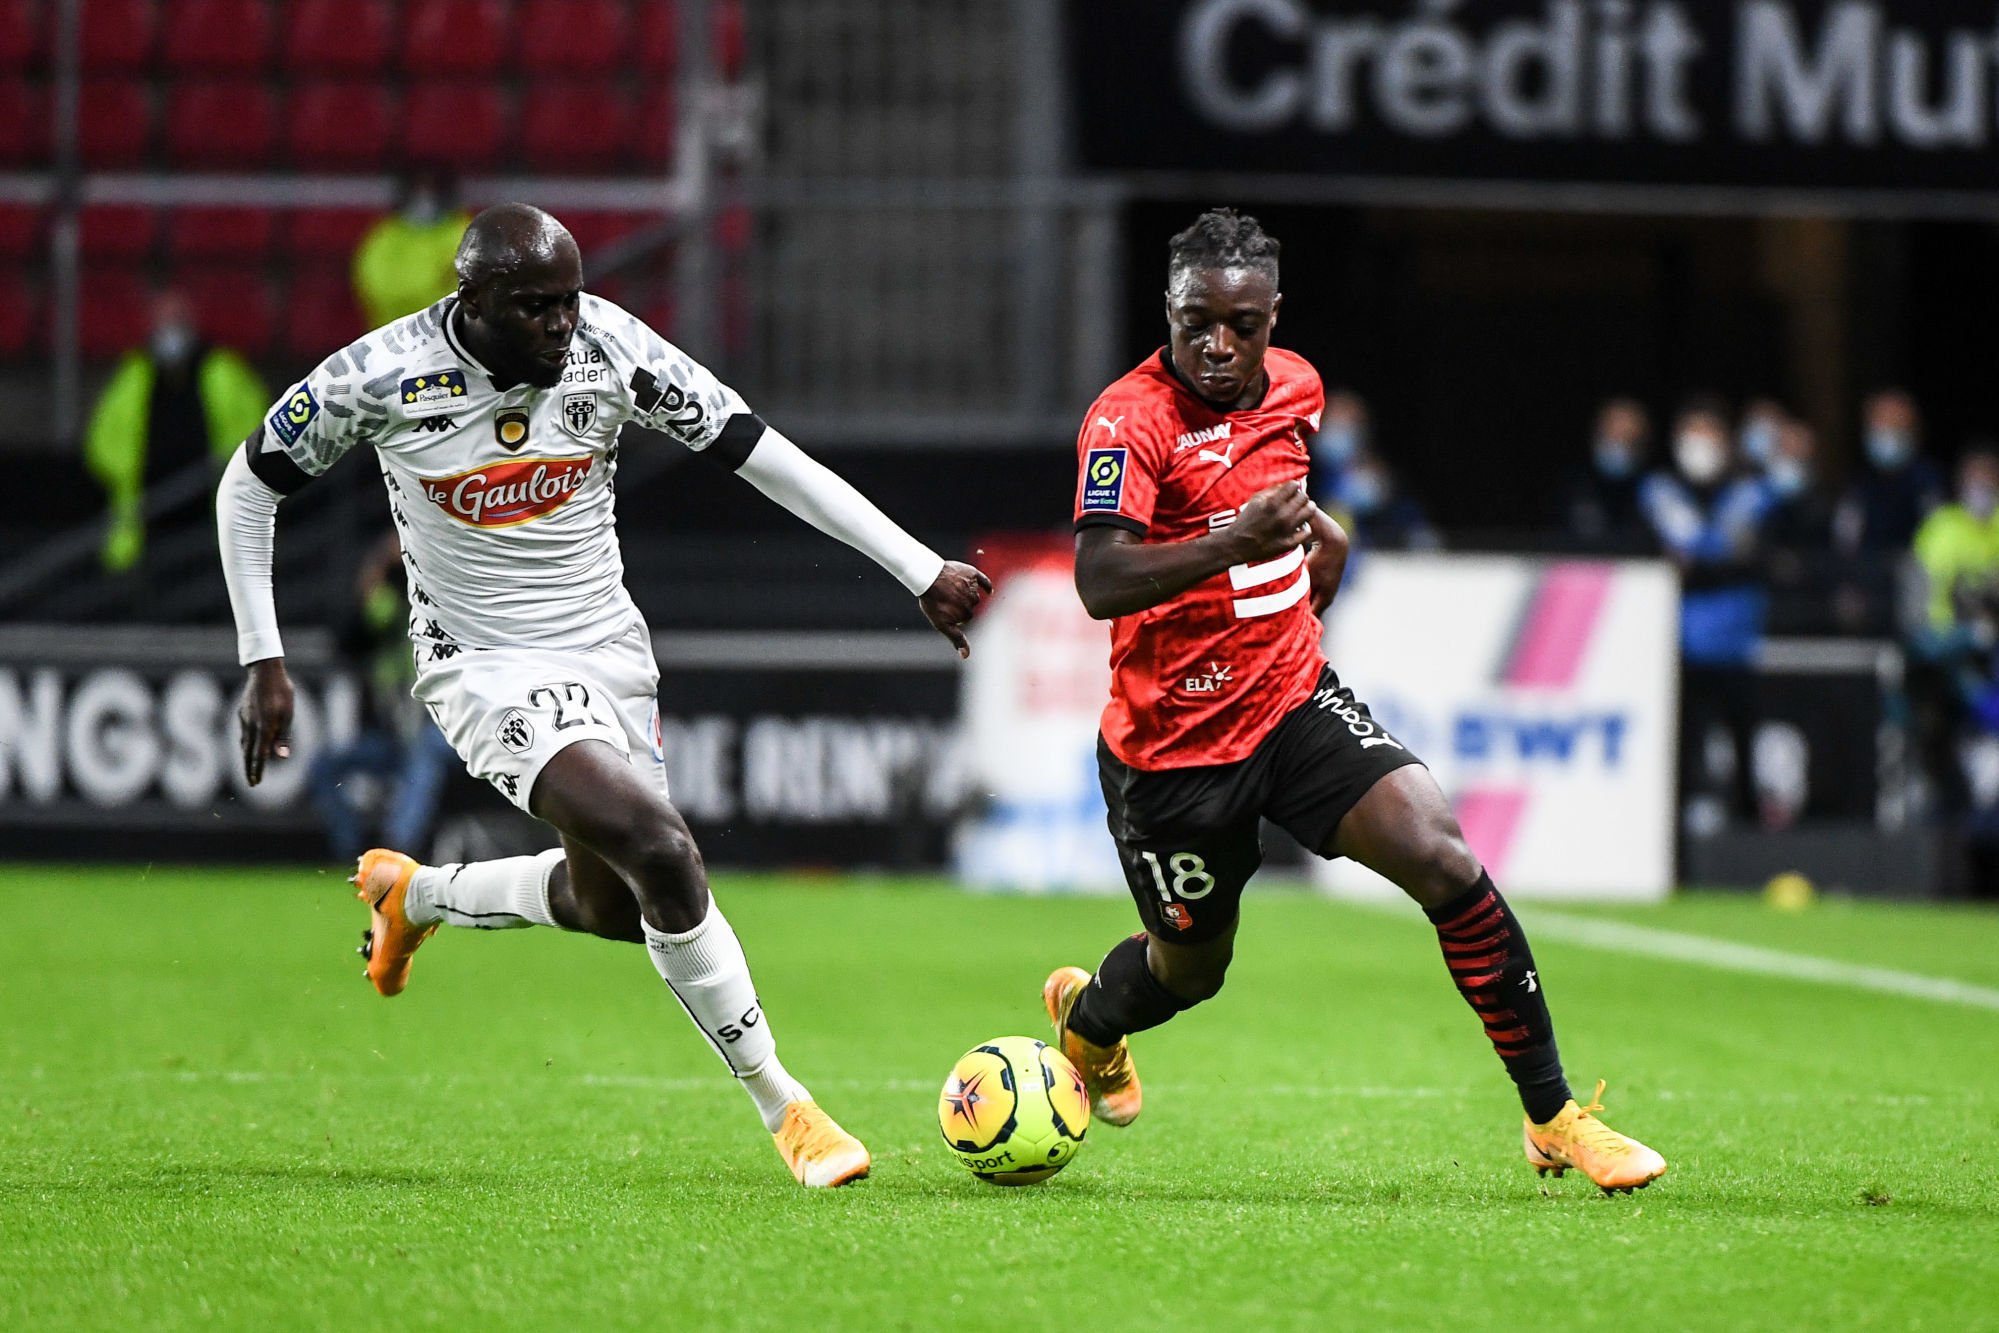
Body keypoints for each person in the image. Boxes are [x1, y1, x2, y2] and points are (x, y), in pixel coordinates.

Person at [218, 204, 990, 1188]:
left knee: (620, 905)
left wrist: (916, 568)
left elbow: (762, 451)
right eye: (534, 308)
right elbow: (248, 486)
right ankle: (786, 1106)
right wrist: (264, 658)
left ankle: (417, 894)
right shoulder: (380, 375)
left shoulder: (610, 349)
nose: (559, 325)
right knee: (663, 847)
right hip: (482, 664)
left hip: (607, 653)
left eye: (569, 302)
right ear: (473, 303)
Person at [1044, 208, 1666, 1194]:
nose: (1217, 343)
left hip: (1290, 700)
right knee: (1188, 970)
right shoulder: (1127, 420)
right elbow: (1100, 579)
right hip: (1172, 753)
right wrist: (1233, 543)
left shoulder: (1297, 386)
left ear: (1271, 317)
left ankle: (1552, 1116)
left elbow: (1278, 484)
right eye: (1195, 319)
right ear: (1166, 310)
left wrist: (1324, 533)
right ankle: (1091, 1022)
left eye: (1241, 324)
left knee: (1442, 856)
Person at [1639, 398, 1774, 829]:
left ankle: (1748, 841)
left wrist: (1701, 557)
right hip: (1679, 646)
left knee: (1744, 749)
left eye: (1708, 435)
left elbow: (1715, 548)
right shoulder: (1660, 488)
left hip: (1735, 645)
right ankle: (1672, 841)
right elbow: (1699, 544)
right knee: (1678, 754)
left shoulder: (1750, 491)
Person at [85, 290, 267, 573]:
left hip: (210, 515)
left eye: (177, 321)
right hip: (147, 522)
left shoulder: (224, 372)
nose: (171, 331)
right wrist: (132, 473)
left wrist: (226, 470)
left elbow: (258, 430)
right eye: (164, 322)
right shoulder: (134, 375)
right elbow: (102, 440)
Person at [307, 533, 459, 862]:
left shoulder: (445, 613)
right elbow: (348, 635)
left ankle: (397, 852)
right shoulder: (389, 614)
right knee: (325, 768)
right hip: (395, 741)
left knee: (426, 753)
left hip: (448, 737)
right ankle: (353, 853)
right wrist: (377, 561)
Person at [1906, 448, 1999, 819]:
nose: (1982, 487)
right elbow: (1919, 604)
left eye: (1989, 478)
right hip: (1945, 655)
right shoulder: (1941, 527)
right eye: (1975, 478)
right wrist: (1959, 636)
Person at [352, 168, 472, 330]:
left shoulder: (466, 231)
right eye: (418, 191)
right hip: (392, 334)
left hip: (450, 332)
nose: (424, 199)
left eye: (431, 190)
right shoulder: (386, 233)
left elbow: (469, 289)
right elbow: (374, 281)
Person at [1837, 389, 1944, 554]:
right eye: (1881, 422)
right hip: (1867, 568)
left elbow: (1938, 533)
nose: (1887, 431)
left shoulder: (1928, 480)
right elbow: (1845, 538)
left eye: (1895, 424)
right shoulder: (1859, 480)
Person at [1557, 396, 1655, 555]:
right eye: (1612, 433)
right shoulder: (1574, 487)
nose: (1618, 443)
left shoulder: (1655, 490)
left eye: (1626, 437)